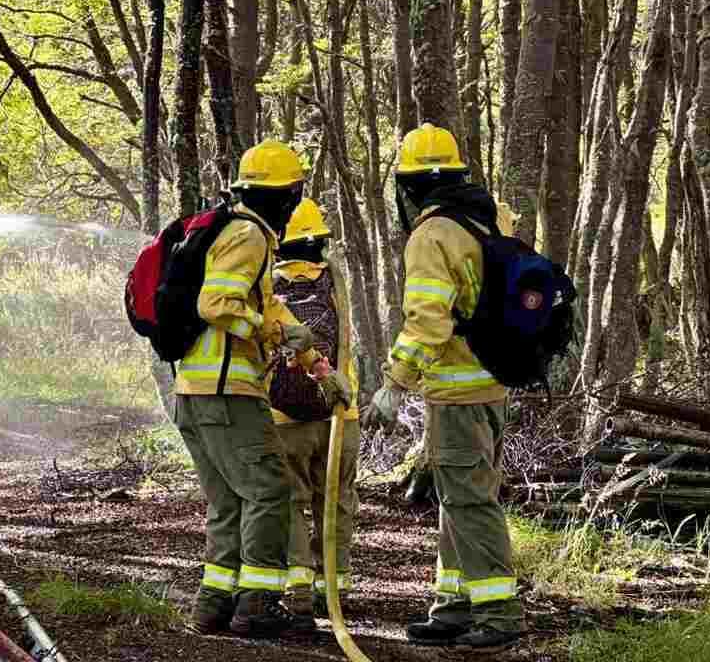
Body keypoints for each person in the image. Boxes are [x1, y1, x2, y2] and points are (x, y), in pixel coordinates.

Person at [173, 139, 350, 638]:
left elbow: (274, 312)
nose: (295, 203)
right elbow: (218, 304)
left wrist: (320, 370)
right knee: (271, 492)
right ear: (284, 195)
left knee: (230, 501)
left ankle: (214, 604)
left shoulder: (241, 234)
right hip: (228, 392)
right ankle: (258, 606)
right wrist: (267, 333)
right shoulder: (249, 236)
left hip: (195, 391)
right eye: (294, 194)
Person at [363, 123, 527, 649]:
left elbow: (427, 322)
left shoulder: (432, 235)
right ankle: (454, 605)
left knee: (470, 502)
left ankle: (498, 614)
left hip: (458, 391)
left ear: (410, 187)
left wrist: (393, 384)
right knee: (458, 499)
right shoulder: (490, 218)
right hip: (492, 384)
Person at [267, 198, 361, 624]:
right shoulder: (337, 282)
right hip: (340, 411)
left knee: (290, 502)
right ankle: (334, 588)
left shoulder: (266, 286)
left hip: (282, 418)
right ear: (317, 241)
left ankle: (298, 589)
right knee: (336, 501)